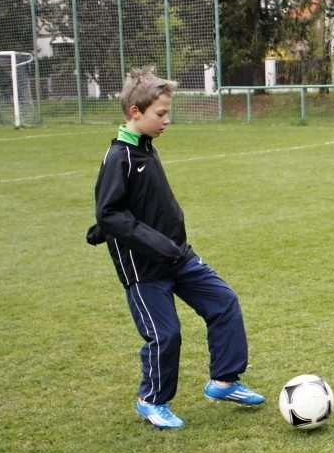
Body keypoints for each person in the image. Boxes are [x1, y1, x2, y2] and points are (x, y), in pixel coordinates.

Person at [87, 68, 264, 429]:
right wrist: (111, 227)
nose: (167, 120)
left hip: (177, 255)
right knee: (164, 334)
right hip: (145, 268)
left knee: (223, 302)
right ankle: (151, 400)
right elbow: (111, 211)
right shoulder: (119, 156)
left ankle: (224, 381)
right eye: (160, 114)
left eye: (167, 112)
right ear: (135, 112)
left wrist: (110, 228)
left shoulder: (145, 149)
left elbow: (135, 204)